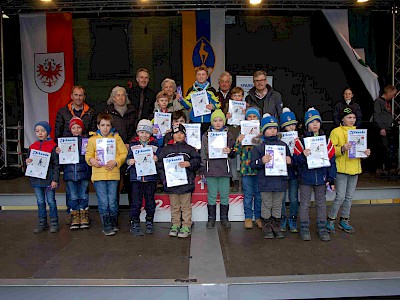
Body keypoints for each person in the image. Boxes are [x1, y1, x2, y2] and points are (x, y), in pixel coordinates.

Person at [293, 108, 336, 242]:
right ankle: (304, 228)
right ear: (307, 124)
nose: (315, 124)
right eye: (312, 122)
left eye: (317, 121)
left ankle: (322, 228)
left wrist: (331, 179)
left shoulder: (327, 141)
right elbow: (295, 161)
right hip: (306, 178)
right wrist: (303, 156)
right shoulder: (300, 142)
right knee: (305, 204)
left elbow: (332, 161)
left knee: (321, 204)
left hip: (322, 178)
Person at [54, 85, 96, 223]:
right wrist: (59, 149)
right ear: (71, 96)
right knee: (71, 188)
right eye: (76, 95)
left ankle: (83, 214)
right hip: (68, 157)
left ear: (84, 97)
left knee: (83, 188)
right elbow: (57, 133)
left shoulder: (90, 112)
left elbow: (93, 132)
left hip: (83, 156)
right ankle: (73, 214)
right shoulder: (63, 111)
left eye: (81, 95)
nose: (79, 98)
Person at [327, 106, 371, 234]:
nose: (352, 120)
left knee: (349, 197)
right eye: (349, 117)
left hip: (355, 168)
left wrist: (365, 152)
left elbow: (361, 150)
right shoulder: (336, 132)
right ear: (342, 119)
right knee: (340, 197)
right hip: (341, 169)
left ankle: (344, 220)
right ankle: (331, 219)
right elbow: (329, 150)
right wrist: (342, 148)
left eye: (354, 117)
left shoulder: (358, 132)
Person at [85, 113, 128, 236]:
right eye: (102, 125)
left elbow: (123, 153)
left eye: (108, 125)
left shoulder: (116, 139)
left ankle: (114, 222)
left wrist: (116, 161)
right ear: (98, 126)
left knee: (113, 201)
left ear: (111, 126)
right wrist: (91, 160)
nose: (105, 128)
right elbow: (88, 155)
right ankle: (106, 225)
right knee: (103, 201)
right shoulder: (93, 140)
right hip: (98, 176)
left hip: (113, 175)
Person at [250, 114, 291, 239]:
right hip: (265, 182)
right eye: (269, 128)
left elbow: (289, 160)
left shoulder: (283, 145)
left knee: (278, 205)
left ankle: (277, 226)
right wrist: (261, 161)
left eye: (274, 128)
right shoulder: (259, 147)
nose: (272, 130)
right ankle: (267, 227)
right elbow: (253, 164)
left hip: (280, 181)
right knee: (266, 204)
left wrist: (290, 160)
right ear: (263, 131)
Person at [157, 124, 201, 238]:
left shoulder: (190, 149)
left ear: (185, 135)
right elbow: (160, 166)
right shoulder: (166, 149)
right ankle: (175, 224)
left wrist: (189, 164)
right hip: (171, 184)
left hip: (186, 183)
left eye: (181, 133)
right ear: (172, 135)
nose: (179, 135)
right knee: (175, 206)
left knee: (185, 206)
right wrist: (164, 180)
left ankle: (186, 225)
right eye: (176, 133)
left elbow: (197, 161)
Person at [201, 109, 237, 229]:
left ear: (224, 121)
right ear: (211, 122)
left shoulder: (229, 134)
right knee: (211, 195)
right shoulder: (206, 136)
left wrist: (230, 151)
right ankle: (211, 219)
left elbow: (234, 152)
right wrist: (203, 169)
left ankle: (224, 218)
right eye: (215, 120)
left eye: (220, 120)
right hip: (211, 169)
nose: (217, 123)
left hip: (224, 169)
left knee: (224, 194)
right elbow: (203, 154)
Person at [126, 119, 159, 236]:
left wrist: (156, 159)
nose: (144, 135)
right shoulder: (133, 144)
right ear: (137, 132)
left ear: (150, 133)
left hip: (150, 178)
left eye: (147, 132)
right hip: (136, 179)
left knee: (150, 201)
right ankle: (135, 223)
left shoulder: (154, 144)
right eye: (141, 132)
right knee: (136, 202)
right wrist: (129, 161)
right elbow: (127, 158)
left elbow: (159, 156)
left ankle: (149, 221)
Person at [26, 121, 60, 234]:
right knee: (40, 202)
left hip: (49, 180)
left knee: (51, 202)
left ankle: (54, 223)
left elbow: (56, 165)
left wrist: (55, 179)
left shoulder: (53, 146)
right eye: (37, 131)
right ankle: (42, 223)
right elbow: (28, 161)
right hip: (36, 180)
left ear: (48, 132)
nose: (40, 133)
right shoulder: (32, 147)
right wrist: (28, 161)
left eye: (43, 130)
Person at [104, 86, 137, 198]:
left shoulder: (132, 111)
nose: (121, 97)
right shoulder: (107, 112)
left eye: (123, 95)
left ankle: (133, 212)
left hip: (129, 149)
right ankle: (114, 211)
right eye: (118, 95)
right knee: (115, 184)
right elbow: (105, 129)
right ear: (113, 98)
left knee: (131, 182)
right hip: (114, 151)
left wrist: (129, 143)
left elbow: (136, 129)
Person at [60, 117, 91, 230]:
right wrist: (59, 152)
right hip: (69, 174)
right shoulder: (65, 142)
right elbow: (60, 160)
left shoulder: (86, 141)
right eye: (74, 127)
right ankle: (74, 216)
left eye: (79, 127)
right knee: (73, 196)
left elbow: (90, 157)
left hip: (83, 173)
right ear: (70, 129)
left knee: (83, 195)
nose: (76, 130)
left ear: (82, 129)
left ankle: (84, 216)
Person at [234, 107, 262, 229]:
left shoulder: (262, 133)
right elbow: (236, 152)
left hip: (259, 170)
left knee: (259, 195)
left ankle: (258, 217)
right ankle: (248, 217)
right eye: (249, 117)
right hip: (246, 170)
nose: (251, 119)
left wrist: (261, 138)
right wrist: (238, 142)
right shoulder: (242, 134)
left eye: (254, 117)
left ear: (258, 119)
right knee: (248, 195)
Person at [179, 66, 220, 134]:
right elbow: (188, 106)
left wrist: (213, 106)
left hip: (208, 121)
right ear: (196, 76)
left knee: (207, 142)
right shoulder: (191, 90)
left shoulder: (211, 90)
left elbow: (218, 104)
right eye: (199, 74)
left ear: (207, 76)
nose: (201, 76)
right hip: (194, 121)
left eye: (203, 74)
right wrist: (181, 100)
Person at [279, 107, 299, 233]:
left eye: (293, 125)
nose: (291, 128)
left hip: (294, 171)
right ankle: (282, 218)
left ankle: (292, 219)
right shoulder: (278, 139)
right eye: (288, 125)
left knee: (293, 197)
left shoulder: (299, 138)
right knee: (281, 197)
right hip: (281, 171)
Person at [224, 87, 246, 193]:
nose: (237, 98)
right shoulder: (227, 107)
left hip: (242, 135)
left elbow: (253, 119)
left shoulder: (246, 107)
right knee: (232, 158)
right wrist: (226, 117)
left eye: (239, 95)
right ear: (231, 97)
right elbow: (221, 122)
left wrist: (246, 114)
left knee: (242, 158)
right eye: (234, 95)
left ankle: (242, 181)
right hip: (231, 134)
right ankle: (235, 180)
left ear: (242, 97)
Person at [373, 85, 397, 175]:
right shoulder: (378, 102)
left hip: (388, 128)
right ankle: (380, 168)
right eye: (393, 94)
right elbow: (377, 115)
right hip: (382, 128)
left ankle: (388, 168)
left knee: (388, 149)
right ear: (389, 92)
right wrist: (381, 127)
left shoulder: (387, 102)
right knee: (382, 148)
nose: (393, 96)